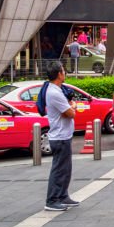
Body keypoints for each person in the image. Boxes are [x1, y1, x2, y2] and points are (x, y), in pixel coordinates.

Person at [43, 60, 78, 211]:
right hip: (60, 136)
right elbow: (70, 113)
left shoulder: (57, 90)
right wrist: (73, 106)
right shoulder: (54, 93)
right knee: (58, 169)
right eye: (63, 71)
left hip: (64, 135)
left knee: (65, 168)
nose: (65, 73)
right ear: (59, 74)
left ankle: (63, 195)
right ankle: (52, 200)